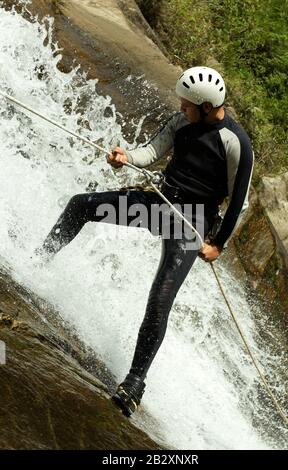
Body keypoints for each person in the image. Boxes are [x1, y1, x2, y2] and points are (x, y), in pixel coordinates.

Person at [37, 66, 254, 417]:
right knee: (81, 205)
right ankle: (36, 264)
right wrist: (125, 157)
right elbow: (150, 152)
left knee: (161, 295)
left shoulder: (236, 143)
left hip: (192, 223)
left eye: (186, 105)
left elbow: (239, 201)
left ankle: (135, 382)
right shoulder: (181, 122)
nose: (180, 108)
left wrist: (218, 243)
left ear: (205, 106)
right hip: (158, 204)